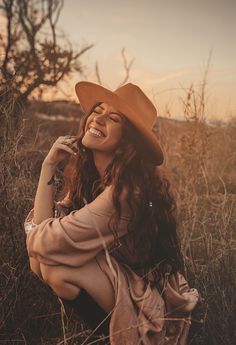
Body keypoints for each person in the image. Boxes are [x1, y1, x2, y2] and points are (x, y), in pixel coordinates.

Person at [24, 81, 199, 345]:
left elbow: (42, 241)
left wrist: (38, 235)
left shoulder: (125, 193)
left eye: (113, 117)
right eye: (98, 110)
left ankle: (115, 337)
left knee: (53, 266)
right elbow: (42, 235)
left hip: (148, 298)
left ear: (126, 143)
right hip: (118, 276)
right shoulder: (92, 175)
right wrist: (48, 167)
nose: (99, 118)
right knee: (41, 262)